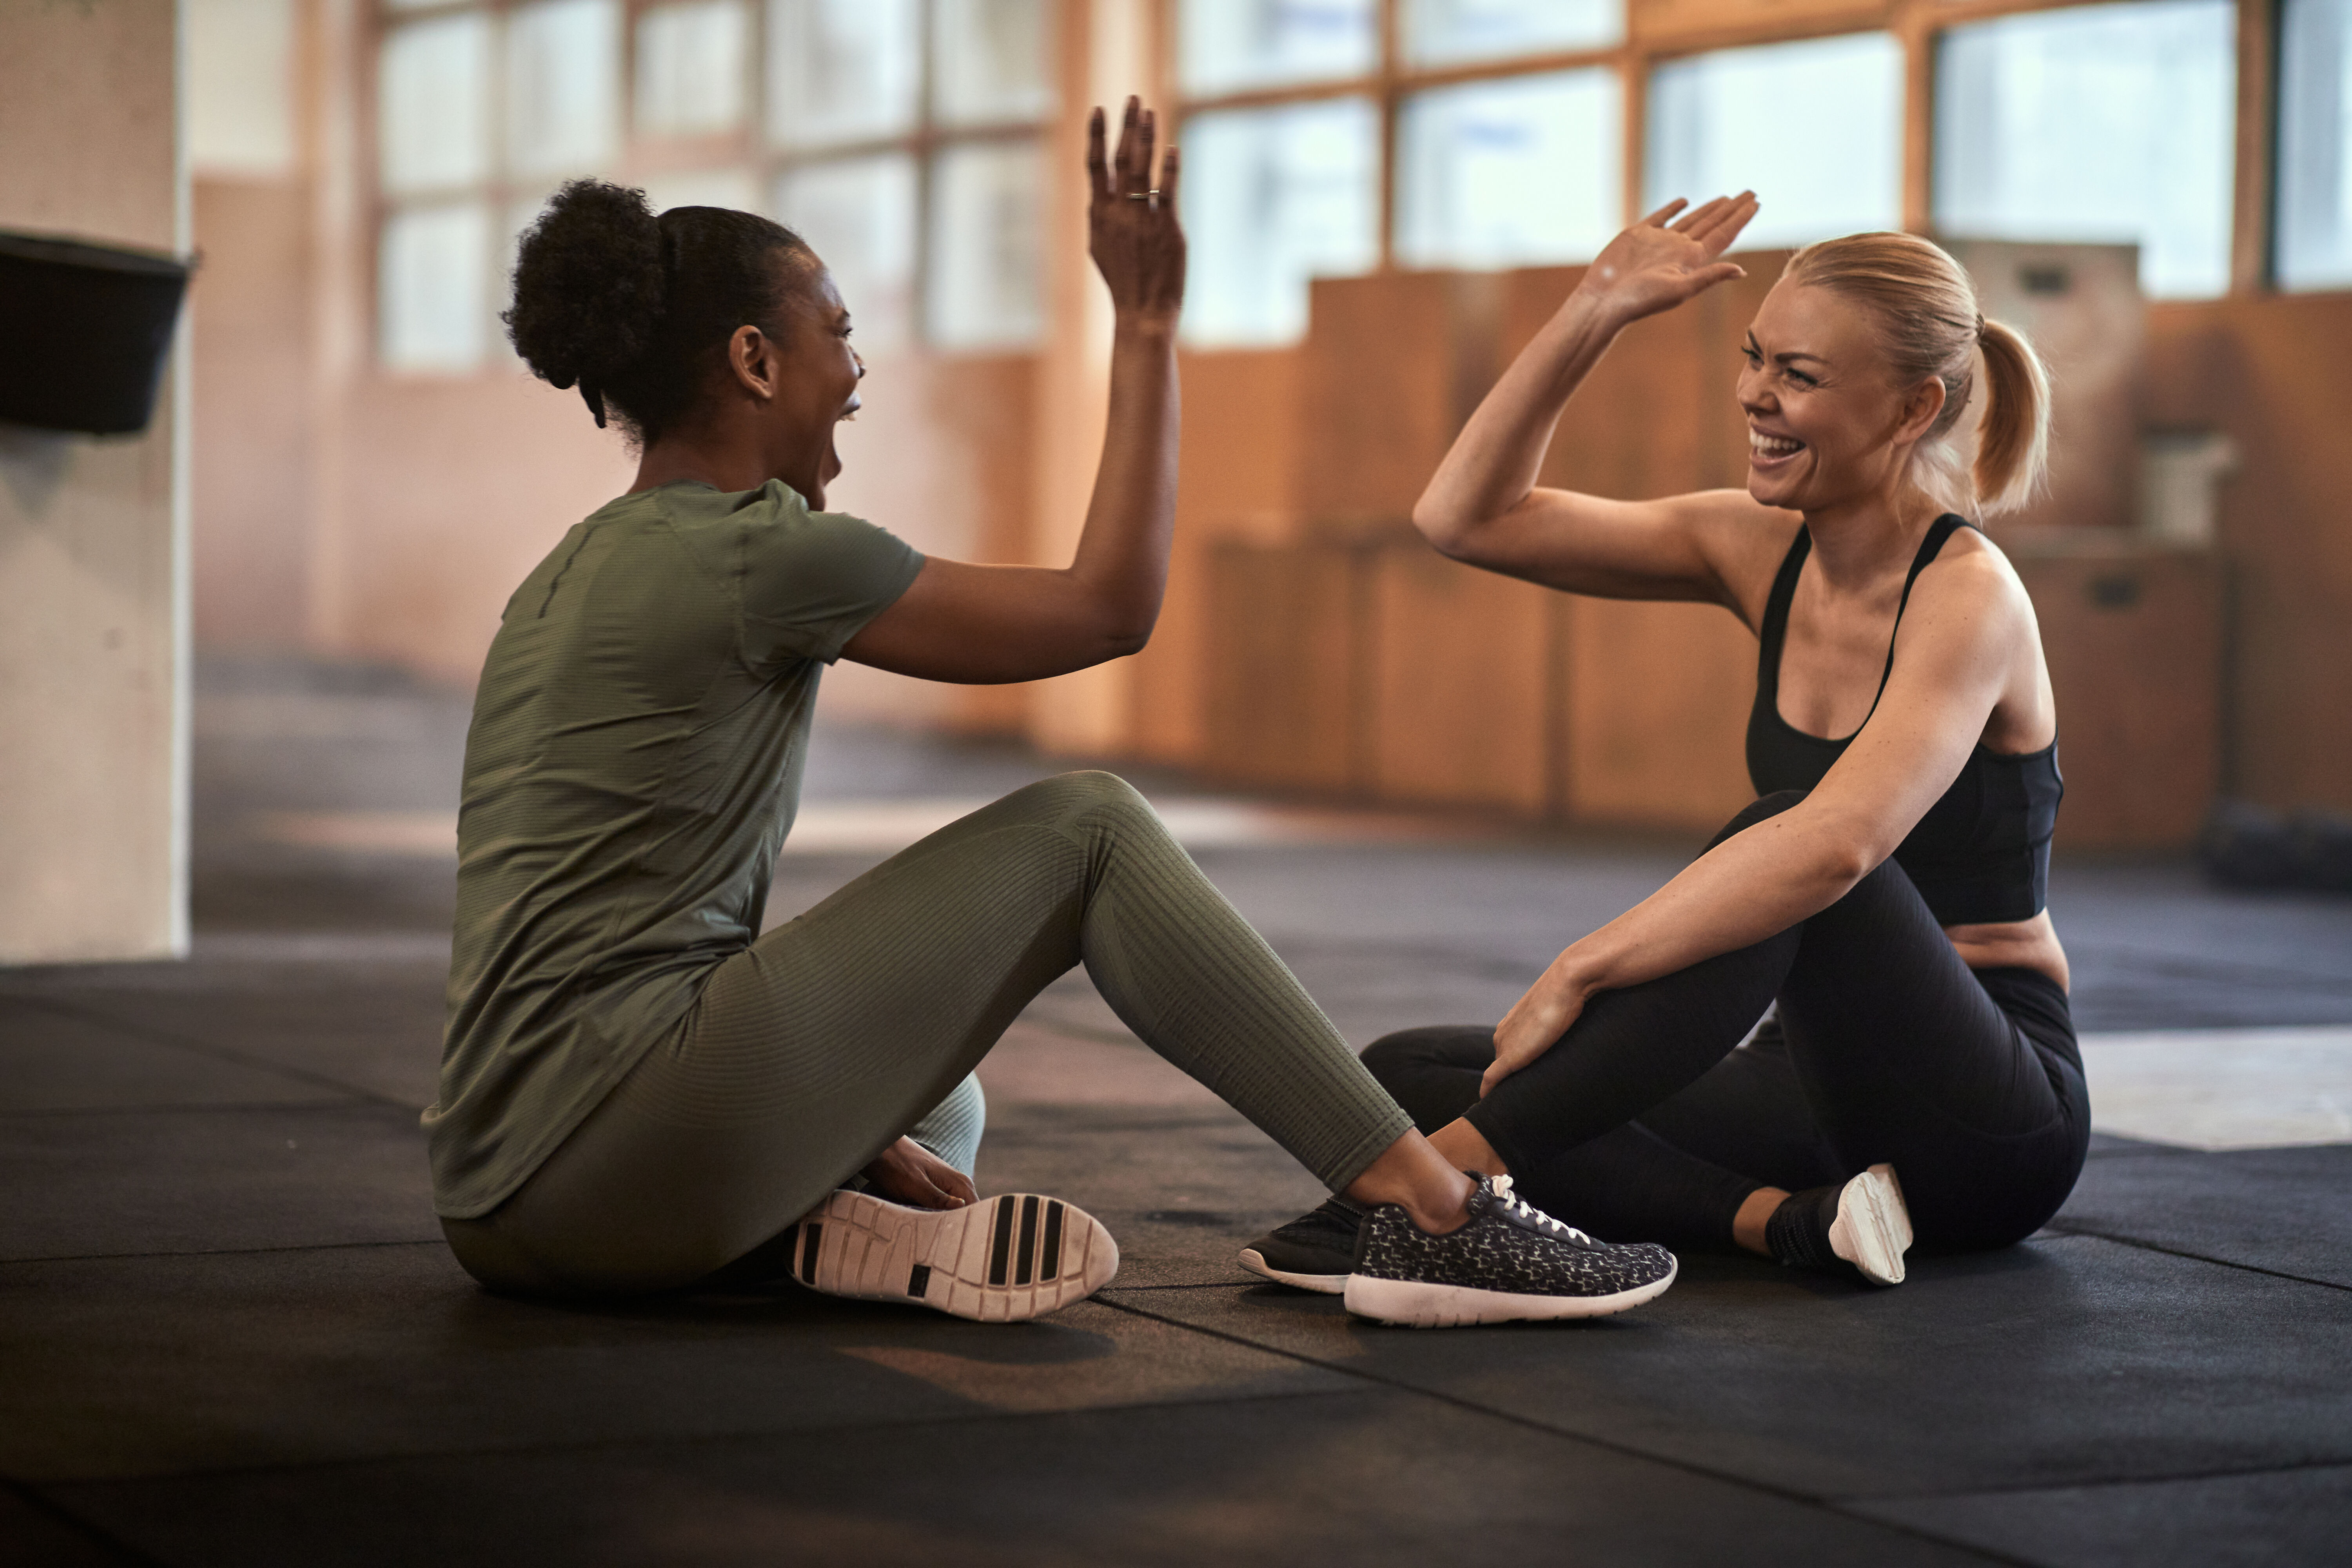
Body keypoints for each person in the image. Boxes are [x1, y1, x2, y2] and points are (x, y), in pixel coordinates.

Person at [424, 100, 1677, 1328]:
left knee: (940, 1093)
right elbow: (1108, 613)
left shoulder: (565, 574)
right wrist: (1145, 324)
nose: (856, 370)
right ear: (755, 360)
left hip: (501, 1200)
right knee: (1089, 829)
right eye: (838, 334)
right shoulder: (766, 553)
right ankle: (1432, 1213)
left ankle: (813, 1224)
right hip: (616, 1146)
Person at [1242, 197, 2084, 1293]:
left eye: (1801, 375)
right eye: (1753, 359)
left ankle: (1439, 1196)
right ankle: (1791, 1225)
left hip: (1985, 1122)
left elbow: (1838, 846)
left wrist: (1582, 969)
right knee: (1406, 1075)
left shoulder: (1971, 598)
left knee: (1790, 835)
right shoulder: (1755, 546)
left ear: (1914, 405)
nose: (1755, 396)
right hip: (1806, 1092)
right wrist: (1595, 310)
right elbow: (1466, 518)